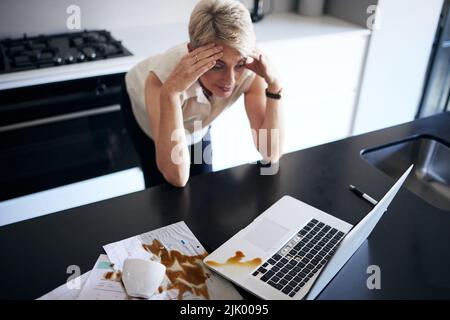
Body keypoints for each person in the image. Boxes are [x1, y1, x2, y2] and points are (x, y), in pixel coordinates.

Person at [122, 0, 284, 188]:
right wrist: (170, 94)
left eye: (239, 64)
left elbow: (271, 153)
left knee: (204, 186)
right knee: (165, 192)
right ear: (192, 52)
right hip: (145, 105)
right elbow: (177, 178)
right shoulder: (161, 81)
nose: (230, 80)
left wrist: (275, 85)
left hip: (197, 121)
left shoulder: (251, 69)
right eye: (217, 65)